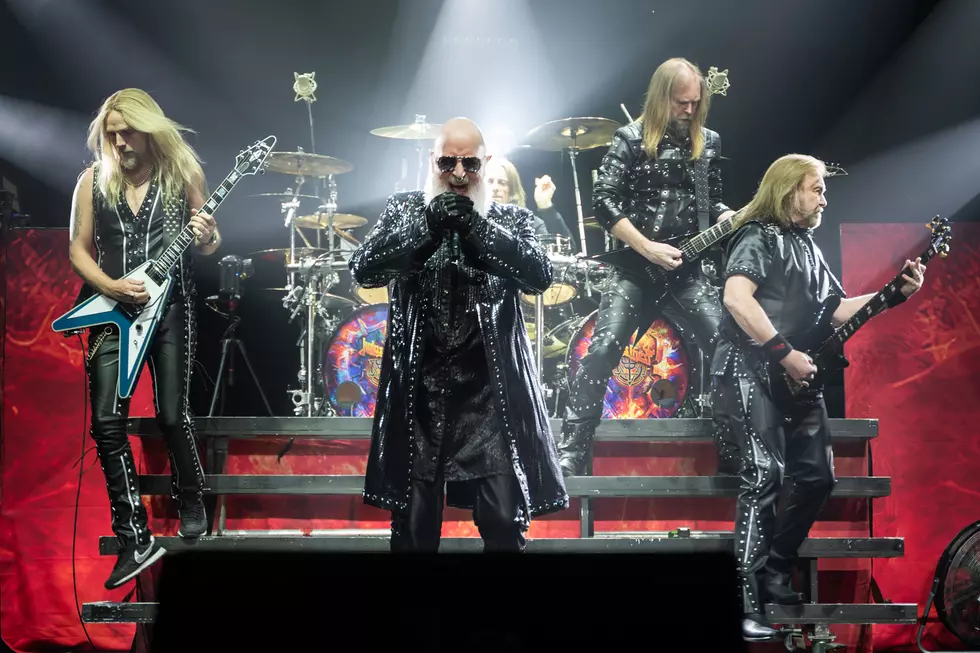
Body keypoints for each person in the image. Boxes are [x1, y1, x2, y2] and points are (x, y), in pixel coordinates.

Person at [710, 154, 926, 641]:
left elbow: (836, 309)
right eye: (817, 189)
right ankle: (743, 602)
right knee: (765, 473)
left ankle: (775, 573)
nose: (824, 199)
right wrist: (785, 353)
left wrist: (893, 294)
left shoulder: (807, 246)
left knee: (818, 476)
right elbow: (736, 298)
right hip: (747, 369)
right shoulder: (757, 235)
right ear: (789, 191)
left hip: (792, 376)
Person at [349, 117, 569, 551]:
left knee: (504, 521)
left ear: (486, 163)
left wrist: (477, 229)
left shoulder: (512, 219)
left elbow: (540, 276)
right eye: (447, 163)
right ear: (432, 161)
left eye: (470, 163)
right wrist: (426, 227)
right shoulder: (404, 209)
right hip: (419, 396)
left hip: (489, 395)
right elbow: (364, 268)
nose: (458, 174)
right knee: (414, 531)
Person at [68, 88, 221, 589]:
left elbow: (210, 240)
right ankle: (133, 536)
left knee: (173, 414)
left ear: (150, 130)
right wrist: (110, 286)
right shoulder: (92, 181)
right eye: (111, 134)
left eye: (127, 132)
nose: (119, 142)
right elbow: (78, 250)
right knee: (106, 423)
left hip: (172, 308)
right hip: (112, 312)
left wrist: (207, 235)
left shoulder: (183, 173)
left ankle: (191, 496)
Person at [556, 57, 738, 476]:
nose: (689, 110)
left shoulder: (708, 142)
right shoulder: (630, 137)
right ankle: (573, 448)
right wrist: (646, 247)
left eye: (695, 103)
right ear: (661, 97)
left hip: (686, 269)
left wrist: (727, 214)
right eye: (680, 102)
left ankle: (730, 448)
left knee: (726, 348)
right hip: (636, 269)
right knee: (602, 348)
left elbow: (710, 201)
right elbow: (604, 201)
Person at [485, 156, 576, 247]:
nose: (495, 188)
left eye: (502, 182)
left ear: (512, 191)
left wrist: (546, 206)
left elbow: (566, 247)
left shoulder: (529, 224)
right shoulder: (476, 221)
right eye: (490, 181)